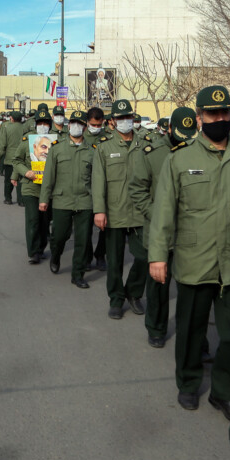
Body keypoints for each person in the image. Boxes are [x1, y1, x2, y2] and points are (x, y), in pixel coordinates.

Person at [148, 86, 230, 420]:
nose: (221, 119)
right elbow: (164, 212)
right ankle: (188, 382)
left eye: (226, 113)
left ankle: (224, 390)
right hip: (195, 261)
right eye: (213, 114)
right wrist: (158, 255)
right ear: (199, 118)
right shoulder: (180, 159)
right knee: (190, 329)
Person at [130, 107, 195, 349]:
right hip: (160, 232)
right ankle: (156, 327)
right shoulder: (151, 153)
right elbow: (137, 189)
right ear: (169, 129)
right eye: (179, 134)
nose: (184, 140)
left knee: (192, 288)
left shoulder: (198, 153)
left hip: (190, 230)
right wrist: (156, 215)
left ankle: (194, 335)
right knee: (158, 284)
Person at [93, 99, 149, 320]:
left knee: (145, 256)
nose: (125, 121)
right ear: (113, 121)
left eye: (128, 117)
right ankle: (116, 300)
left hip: (140, 212)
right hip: (114, 211)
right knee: (114, 261)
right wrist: (99, 210)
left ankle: (134, 293)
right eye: (120, 118)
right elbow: (98, 182)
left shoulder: (145, 144)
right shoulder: (105, 147)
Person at [40, 110, 93, 288]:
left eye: (80, 123)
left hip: (85, 200)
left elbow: (97, 179)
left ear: (85, 127)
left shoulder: (92, 151)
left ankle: (78, 275)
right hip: (62, 199)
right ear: (69, 125)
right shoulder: (57, 148)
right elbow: (48, 176)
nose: (76, 126)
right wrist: (44, 199)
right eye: (74, 123)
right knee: (59, 236)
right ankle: (55, 256)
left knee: (83, 240)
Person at [13, 109, 55, 264]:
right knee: (33, 220)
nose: (43, 126)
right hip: (30, 187)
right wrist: (26, 172)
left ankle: (41, 247)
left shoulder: (55, 143)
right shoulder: (27, 142)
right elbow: (16, 161)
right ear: (35, 124)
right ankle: (33, 251)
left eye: (45, 123)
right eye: (40, 123)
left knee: (45, 221)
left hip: (48, 188)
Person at [82, 106, 108, 272]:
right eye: (93, 124)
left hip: (105, 187)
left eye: (99, 125)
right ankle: (86, 257)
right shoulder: (80, 137)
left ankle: (100, 255)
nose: (96, 128)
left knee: (105, 227)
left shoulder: (108, 138)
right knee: (85, 228)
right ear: (87, 123)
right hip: (85, 189)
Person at [0, 110, 27, 205]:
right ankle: (21, 200)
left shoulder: (6, 127)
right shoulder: (24, 128)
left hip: (10, 158)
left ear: (12, 118)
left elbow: (2, 144)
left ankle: (8, 198)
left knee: (8, 180)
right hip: (22, 158)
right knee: (20, 180)